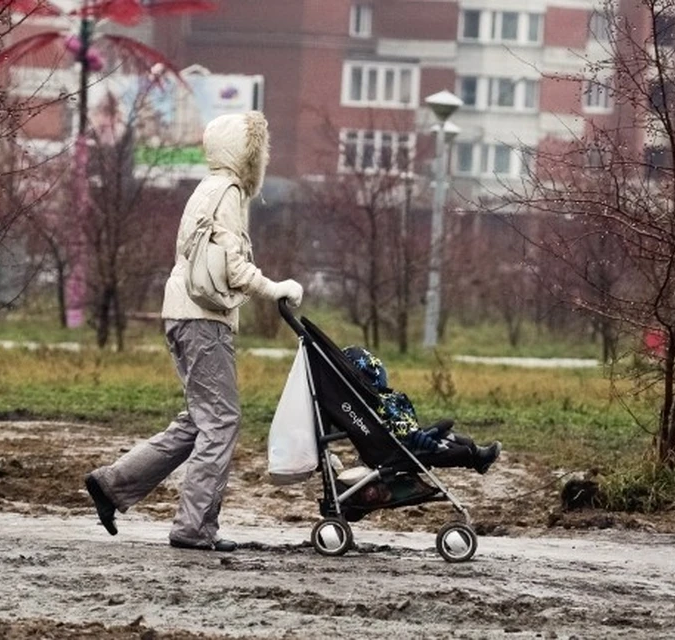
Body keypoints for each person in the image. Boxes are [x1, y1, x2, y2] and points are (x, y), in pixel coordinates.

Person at [84, 111, 303, 552]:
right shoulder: (227, 192)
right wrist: (274, 287)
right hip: (203, 321)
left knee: (199, 419)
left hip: (182, 314)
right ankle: (194, 527)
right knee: (222, 421)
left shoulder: (205, 189)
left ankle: (113, 484)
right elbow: (231, 265)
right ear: (245, 156)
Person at [341, 346, 501, 474]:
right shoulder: (375, 403)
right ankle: (476, 457)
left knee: (448, 433)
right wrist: (416, 436)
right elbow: (392, 424)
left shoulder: (367, 399)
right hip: (403, 446)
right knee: (453, 445)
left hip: (402, 439)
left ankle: (479, 455)